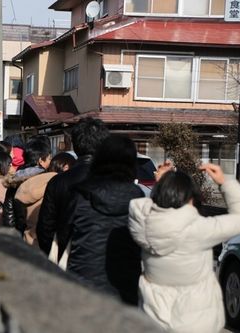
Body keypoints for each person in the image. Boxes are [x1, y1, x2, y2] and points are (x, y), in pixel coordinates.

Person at [128, 164, 240, 332]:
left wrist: (163, 184)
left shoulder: (143, 224)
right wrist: (224, 183)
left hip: (153, 319)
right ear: (190, 198)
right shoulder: (199, 229)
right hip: (195, 323)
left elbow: (148, 209)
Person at [65, 135, 144, 305]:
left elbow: (64, 233)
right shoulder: (136, 195)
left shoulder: (80, 192)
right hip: (125, 281)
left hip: (83, 278)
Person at [37, 118, 109, 259]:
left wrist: (57, 253)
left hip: (67, 257)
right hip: (107, 263)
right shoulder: (115, 180)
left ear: (75, 146)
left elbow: (45, 228)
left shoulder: (58, 181)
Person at [14, 151, 74, 246]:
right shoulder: (60, 185)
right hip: (48, 245)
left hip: (27, 242)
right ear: (66, 167)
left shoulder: (33, 182)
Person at [3, 137, 52, 240]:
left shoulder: (15, 178)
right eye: (49, 158)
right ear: (41, 161)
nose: (50, 161)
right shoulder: (46, 179)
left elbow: (9, 211)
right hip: (39, 235)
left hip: (18, 235)